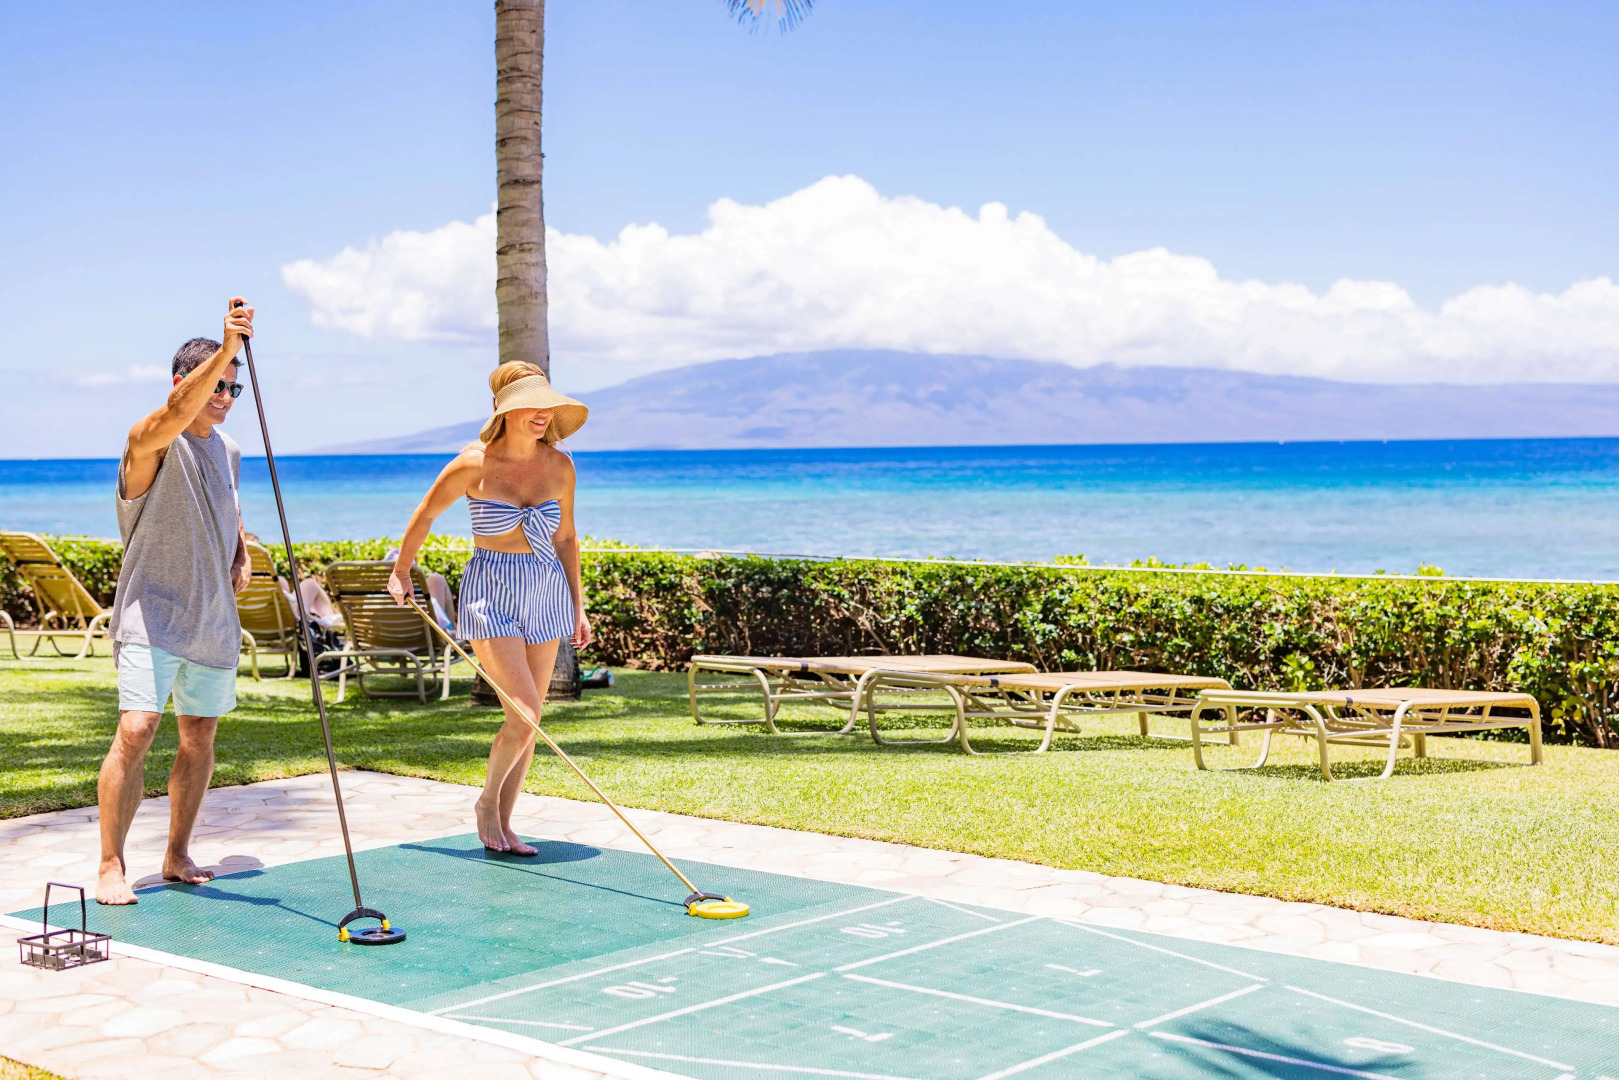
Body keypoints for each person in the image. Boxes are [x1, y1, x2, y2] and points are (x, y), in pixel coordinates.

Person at [388, 361, 593, 854]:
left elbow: (565, 538)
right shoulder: (472, 464)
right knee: (523, 713)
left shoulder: (560, 466)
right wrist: (400, 572)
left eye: (548, 404)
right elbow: (425, 515)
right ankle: (486, 804)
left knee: (532, 720)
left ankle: (504, 824)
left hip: (545, 590)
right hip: (490, 591)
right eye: (532, 404)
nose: (543, 413)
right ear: (505, 408)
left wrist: (578, 606)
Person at [97, 298, 255, 905]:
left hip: (212, 619)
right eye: (216, 386)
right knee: (137, 728)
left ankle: (176, 854)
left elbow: (229, 508)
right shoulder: (148, 440)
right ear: (185, 382)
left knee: (199, 735)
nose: (224, 396)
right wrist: (226, 348)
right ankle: (111, 862)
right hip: (149, 613)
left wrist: (239, 553)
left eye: (233, 389)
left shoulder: (229, 449)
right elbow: (172, 414)